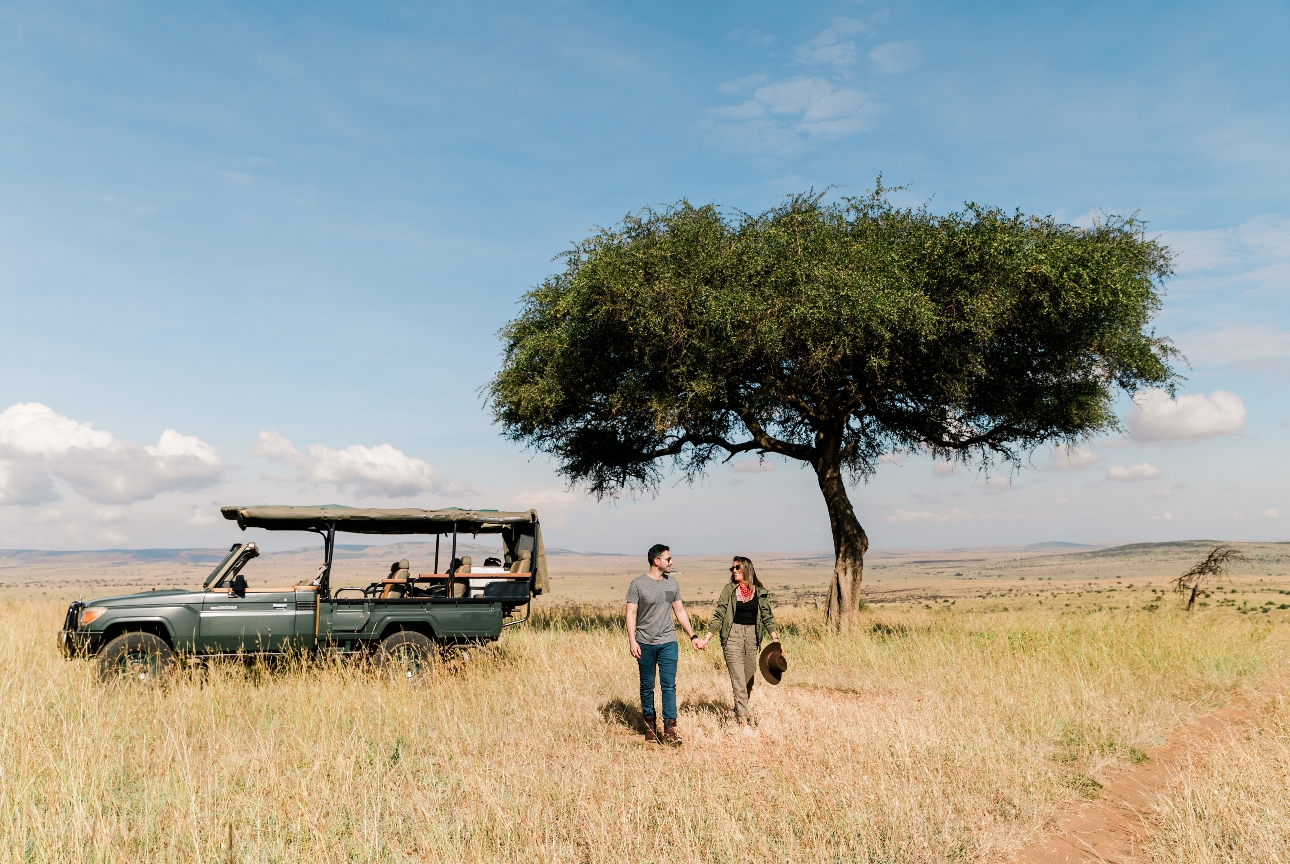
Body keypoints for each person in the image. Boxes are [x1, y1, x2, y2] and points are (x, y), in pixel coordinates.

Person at [626, 543, 702, 745]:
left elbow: (679, 611)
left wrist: (692, 636)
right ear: (656, 561)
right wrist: (633, 640)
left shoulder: (671, 584)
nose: (671, 562)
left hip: (668, 641)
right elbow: (631, 613)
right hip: (645, 642)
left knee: (669, 686)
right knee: (647, 686)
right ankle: (650, 726)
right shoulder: (638, 584)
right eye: (668, 559)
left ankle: (670, 729)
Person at [698, 556, 780, 728]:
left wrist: (775, 640)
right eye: (732, 568)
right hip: (732, 636)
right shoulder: (729, 590)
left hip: (752, 637)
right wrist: (707, 638)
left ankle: (737, 710)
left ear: (747, 569)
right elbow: (719, 614)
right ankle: (743, 722)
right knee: (738, 681)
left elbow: (767, 617)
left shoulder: (760, 591)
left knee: (749, 679)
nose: (734, 570)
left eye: (737, 567)